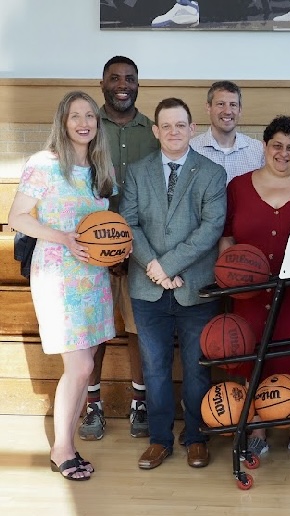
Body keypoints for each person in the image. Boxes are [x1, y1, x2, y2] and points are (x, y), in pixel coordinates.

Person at [8, 91, 117, 480]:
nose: (84, 122)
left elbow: (105, 228)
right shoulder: (45, 164)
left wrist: (114, 249)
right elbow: (17, 218)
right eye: (76, 116)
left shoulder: (101, 168)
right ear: (63, 121)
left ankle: (67, 444)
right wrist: (62, 236)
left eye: (90, 115)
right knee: (81, 364)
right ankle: (62, 449)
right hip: (57, 271)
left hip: (92, 275)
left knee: (84, 368)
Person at [221, 115, 290, 462]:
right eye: (277, 146)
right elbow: (226, 235)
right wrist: (228, 275)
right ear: (265, 147)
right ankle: (257, 429)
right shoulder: (238, 187)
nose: (283, 153)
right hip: (249, 293)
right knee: (253, 358)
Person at [120, 98, 227, 470]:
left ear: (192, 128)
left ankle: (196, 437)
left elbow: (210, 229)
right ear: (156, 131)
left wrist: (167, 265)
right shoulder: (136, 172)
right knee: (154, 369)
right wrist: (154, 268)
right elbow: (129, 223)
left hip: (195, 287)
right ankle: (160, 440)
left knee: (198, 368)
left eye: (180, 125)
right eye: (166, 126)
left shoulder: (212, 173)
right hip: (147, 288)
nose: (173, 132)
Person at [79, 55, 160, 442]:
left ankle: (139, 403)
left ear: (138, 84)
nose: (122, 84)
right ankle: (92, 404)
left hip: (142, 249)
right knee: (95, 331)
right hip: (91, 249)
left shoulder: (154, 130)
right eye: (114, 77)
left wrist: (134, 249)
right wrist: (102, 247)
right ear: (102, 82)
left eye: (129, 77)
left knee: (137, 329)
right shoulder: (86, 126)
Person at [190, 81, 264, 185]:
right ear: (208, 108)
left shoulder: (258, 151)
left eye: (233, 105)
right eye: (221, 104)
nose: (227, 111)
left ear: (240, 110)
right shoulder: (191, 149)